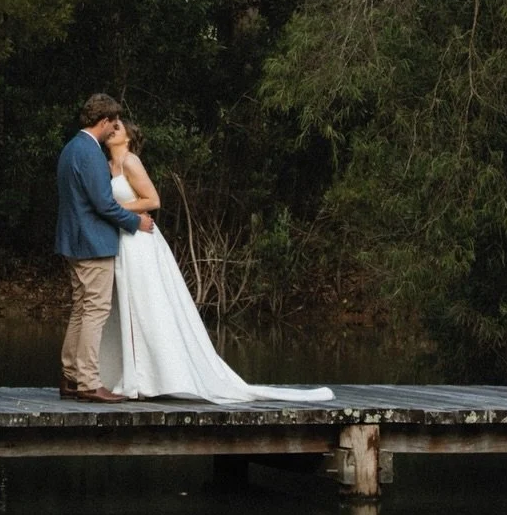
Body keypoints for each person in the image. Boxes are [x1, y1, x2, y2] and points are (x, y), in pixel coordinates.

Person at [98, 119, 333, 403]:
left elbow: (153, 200)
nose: (113, 130)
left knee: (148, 304)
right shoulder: (107, 166)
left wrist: (114, 208)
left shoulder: (131, 161)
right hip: (122, 240)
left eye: (119, 128)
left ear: (128, 138)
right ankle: (134, 374)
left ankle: (158, 375)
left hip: (140, 241)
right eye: (111, 127)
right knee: (127, 306)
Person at [56, 94, 155, 403]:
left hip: (73, 240)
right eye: (113, 122)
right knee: (95, 311)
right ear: (103, 121)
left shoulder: (72, 148)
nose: (115, 127)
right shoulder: (90, 154)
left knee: (81, 308)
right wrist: (134, 222)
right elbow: (103, 204)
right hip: (92, 243)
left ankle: (71, 377)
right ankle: (87, 381)